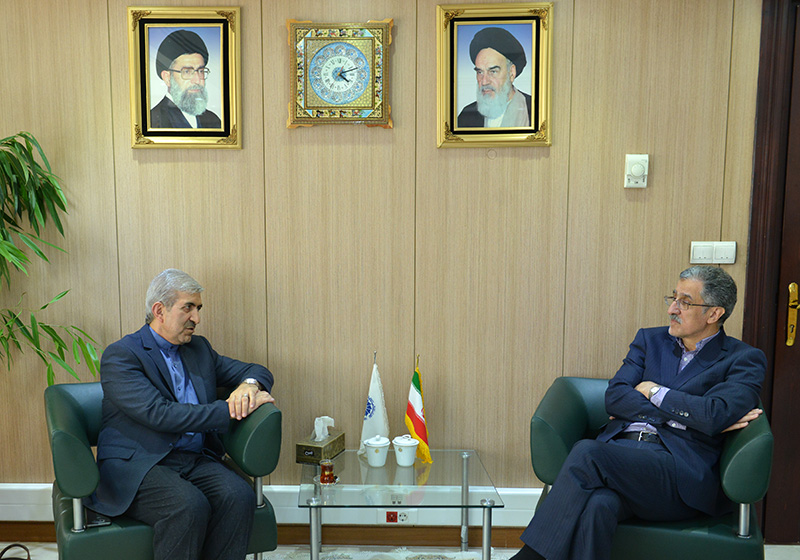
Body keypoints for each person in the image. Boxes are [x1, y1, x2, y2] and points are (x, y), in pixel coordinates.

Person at [512, 266, 766, 560]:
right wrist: (687, 419)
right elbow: (615, 398)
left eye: (685, 302)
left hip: (677, 474)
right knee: (599, 505)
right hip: (621, 455)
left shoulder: (743, 359)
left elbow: (714, 415)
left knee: (587, 453)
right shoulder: (650, 341)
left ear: (714, 314)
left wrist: (654, 391)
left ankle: (529, 557)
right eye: (673, 298)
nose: (672, 309)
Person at [87, 269, 274, 560]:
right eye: (188, 307)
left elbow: (257, 370)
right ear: (159, 311)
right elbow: (159, 414)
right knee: (188, 505)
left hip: (194, 459)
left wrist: (248, 386)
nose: (196, 318)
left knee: (238, 496)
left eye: (198, 308)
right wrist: (228, 409)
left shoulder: (199, 349)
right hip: (140, 464)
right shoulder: (122, 355)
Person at [457, 27, 532, 128]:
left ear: (511, 72)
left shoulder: (535, 110)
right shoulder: (466, 116)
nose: (484, 82)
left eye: (493, 72)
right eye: (480, 72)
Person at [151, 29, 222, 129]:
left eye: (201, 71)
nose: (197, 80)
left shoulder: (213, 120)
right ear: (167, 78)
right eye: (187, 72)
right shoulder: (153, 122)